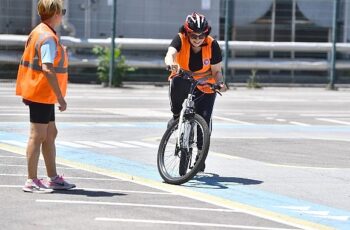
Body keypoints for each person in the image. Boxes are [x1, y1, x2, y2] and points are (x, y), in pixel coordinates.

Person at [16, 0, 75, 193]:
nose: (63, 15)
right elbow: (47, 68)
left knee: (50, 134)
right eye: (62, 11)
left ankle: (53, 178)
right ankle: (31, 180)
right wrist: (60, 97)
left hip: (43, 93)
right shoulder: (47, 37)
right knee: (38, 135)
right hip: (41, 92)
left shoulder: (40, 31)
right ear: (55, 14)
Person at [164, 12, 227, 172]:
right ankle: (177, 116)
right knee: (176, 81)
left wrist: (219, 83)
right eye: (193, 35)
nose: (197, 38)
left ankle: (200, 154)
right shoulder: (180, 39)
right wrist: (171, 64)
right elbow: (170, 54)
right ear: (186, 32)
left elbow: (217, 71)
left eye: (201, 35)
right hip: (184, 77)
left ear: (206, 33)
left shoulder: (213, 45)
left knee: (204, 119)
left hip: (205, 83)